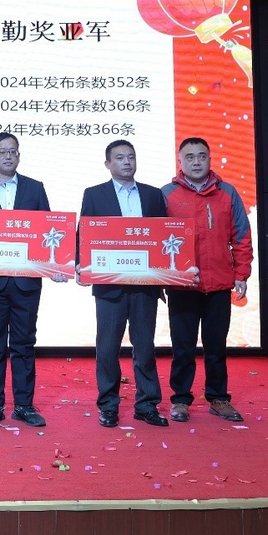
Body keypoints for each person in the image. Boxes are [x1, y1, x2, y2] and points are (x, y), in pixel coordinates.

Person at [0, 132, 67, 428]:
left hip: (26, 283)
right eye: (2, 151)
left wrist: (56, 265)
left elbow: (49, 231)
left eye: (13, 151)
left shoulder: (35, 188)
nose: (8, 156)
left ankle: (24, 405)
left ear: (19, 155)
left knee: (24, 344)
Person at [78, 140, 169, 428]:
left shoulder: (153, 195)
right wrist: (82, 266)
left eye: (131, 157)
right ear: (108, 164)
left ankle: (147, 405)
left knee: (145, 347)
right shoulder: (94, 194)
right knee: (107, 348)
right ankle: (108, 405)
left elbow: (164, 236)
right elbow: (84, 234)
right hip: (110, 286)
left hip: (145, 284)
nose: (127, 162)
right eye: (119, 158)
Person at [161, 137, 253, 423]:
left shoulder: (227, 192)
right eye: (190, 157)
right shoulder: (167, 195)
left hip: (219, 283)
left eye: (202, 156)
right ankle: (180, 400)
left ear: (210, 160)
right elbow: (155, 239)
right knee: (183, 348)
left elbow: (241, 235)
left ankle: (218, 398)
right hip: (182, 285)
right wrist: (157, 279)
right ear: (180, 162)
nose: (196, 162)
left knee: (216, 347)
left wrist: (241, 273)